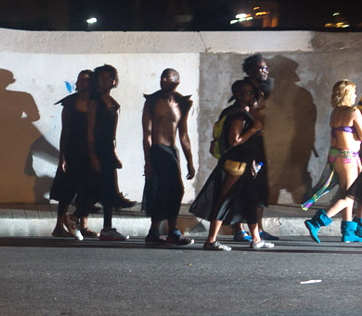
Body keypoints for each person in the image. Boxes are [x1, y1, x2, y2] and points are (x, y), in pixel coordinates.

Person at [191, 80, 273, 251]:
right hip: (236, 165)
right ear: (239, 95)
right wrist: (252, 130)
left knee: (250, 201)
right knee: (224, 200)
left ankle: (256, 239)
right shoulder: (238, 115)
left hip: (244, 164)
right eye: (249, 93)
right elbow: (234, 141)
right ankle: (211, 240)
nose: (252, 96)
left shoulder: (236, 112)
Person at [141, 69, 196, 245]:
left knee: (176, 191)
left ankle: (170, 231)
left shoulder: (182, 103)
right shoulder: (152, 101)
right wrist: (148, 161)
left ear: (177, 82)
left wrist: (190, 161)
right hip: (157, 150)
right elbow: (147, 134)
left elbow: (184, 135)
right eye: (162, 77)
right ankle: (156, 231)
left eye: (168, 78)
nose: (163, 80)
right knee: (161, 191)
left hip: (172, 151)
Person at [304, 80, 362, 243]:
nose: (356, 95)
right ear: (348, 94)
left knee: (345, 193)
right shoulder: (353, 112)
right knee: (350, 196)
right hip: (348, 157)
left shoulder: (336, 112)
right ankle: (317, 221)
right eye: (354, 91)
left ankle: (348, 232)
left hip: (335, 156)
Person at [230, 53, 276, 242]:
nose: (265, 71)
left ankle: (258, 228)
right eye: (260, 68)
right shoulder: (247, 90)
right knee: (241, 189)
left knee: (259, 190)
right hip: (247, 148)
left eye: (266, 68)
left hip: (261, 147)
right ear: (250, 71)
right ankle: (239, 229)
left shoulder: (264, 90)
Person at [50, 70, 97, 240]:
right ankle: (58, 226)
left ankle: (83, 225)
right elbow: (65, 131)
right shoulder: (70, 103)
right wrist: (62, 157)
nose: (81, 82)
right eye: (79, 79)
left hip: (91, 150)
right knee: (67, 189)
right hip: (73, 150)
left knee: (88, 188)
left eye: (85, 79)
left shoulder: (97, 102)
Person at [84, 64, 129, 241]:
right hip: (98, 150)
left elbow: (112, 134)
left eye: (109, 78)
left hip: (107, 150)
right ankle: (74, 219)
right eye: (101, 78)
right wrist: (94, 155)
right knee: (97, 190)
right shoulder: (95, 102)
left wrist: (114, 153)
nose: (106, 82)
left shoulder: (110, 101)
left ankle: (107, 228)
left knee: (108, 191)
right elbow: (90, 131)